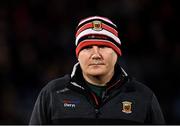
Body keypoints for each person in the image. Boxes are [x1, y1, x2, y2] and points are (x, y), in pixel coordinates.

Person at [29, 16, 165, 124]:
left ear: (117, 52)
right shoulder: (52, 94)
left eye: (103, 46)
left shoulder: (143, 97)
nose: (96, 54)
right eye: (87, 47)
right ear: (78, 54)